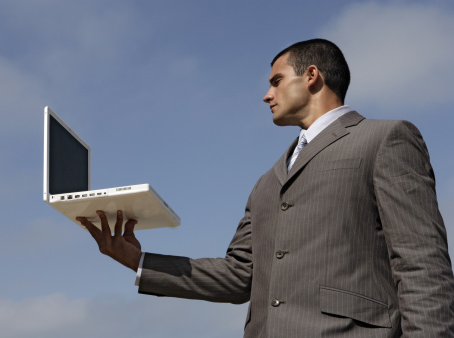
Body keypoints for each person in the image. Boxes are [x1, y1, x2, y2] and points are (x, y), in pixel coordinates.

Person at [76, 39, 454, 337]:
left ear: (311, 75)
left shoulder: (385, 138)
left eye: (276, 81)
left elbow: (422, 263)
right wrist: (136, 261)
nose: (266, 94)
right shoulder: (265, 183)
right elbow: (240, 276)